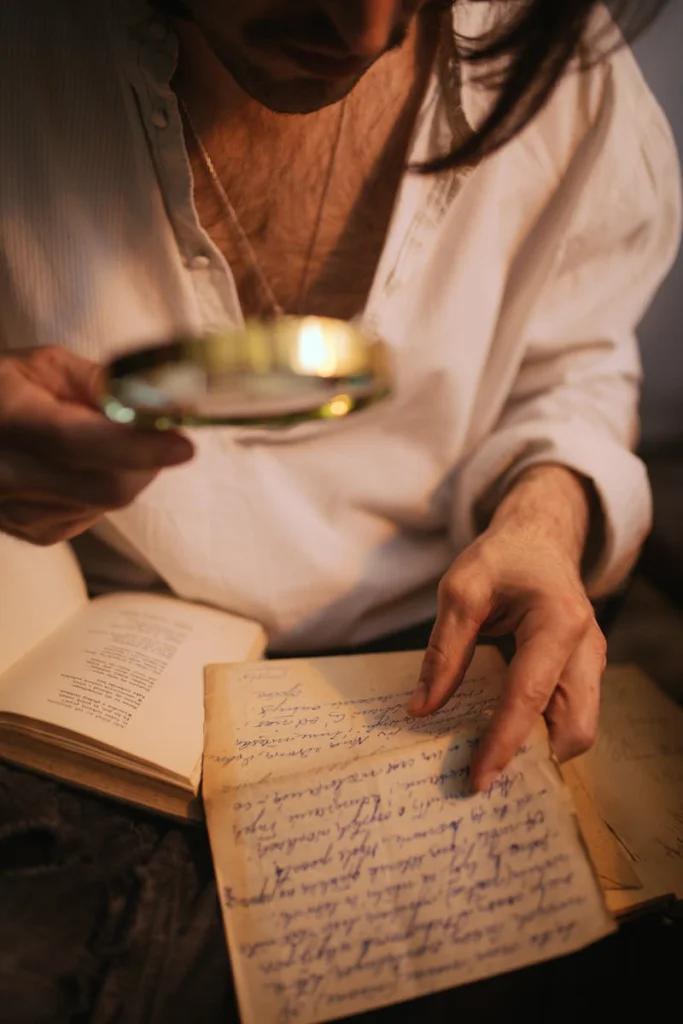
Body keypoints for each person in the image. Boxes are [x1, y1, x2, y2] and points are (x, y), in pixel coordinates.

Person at [0, 0, 679, 793]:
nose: (366, 30)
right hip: (74, 665)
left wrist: (544, 521)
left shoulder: (551, 50)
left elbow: (573, 364)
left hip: (451, 652)